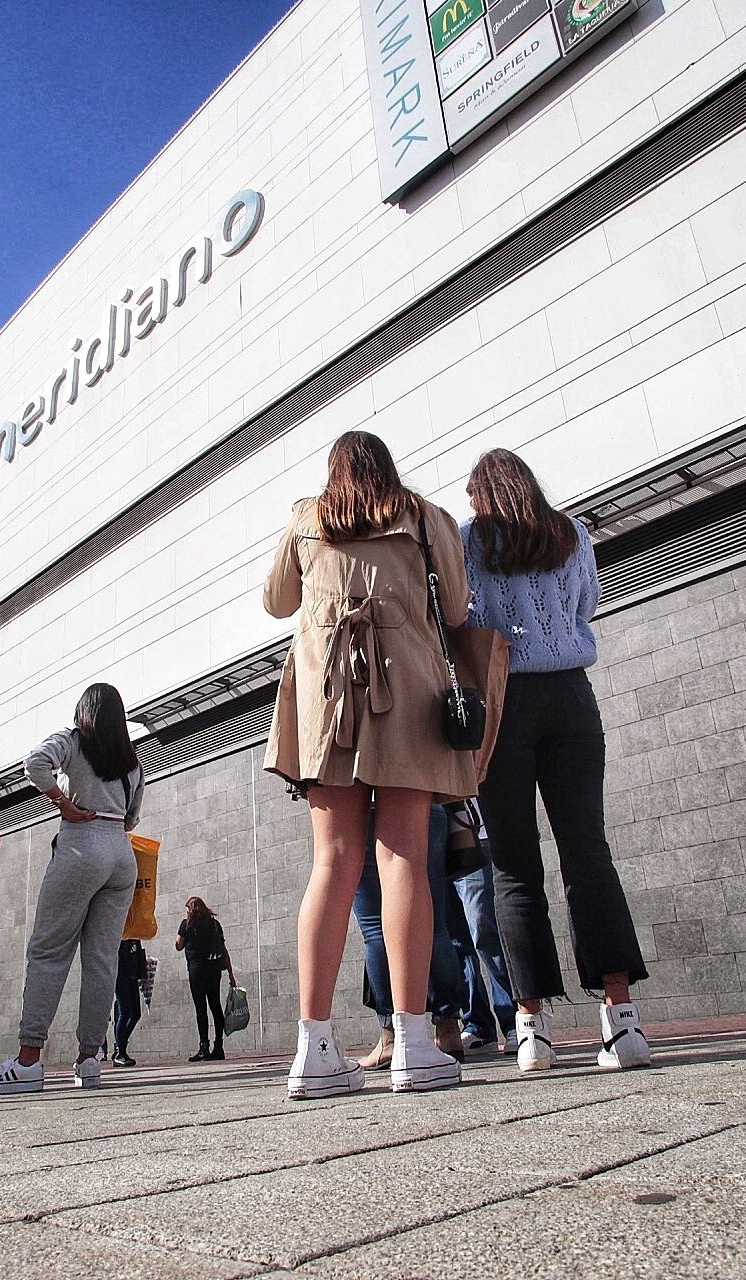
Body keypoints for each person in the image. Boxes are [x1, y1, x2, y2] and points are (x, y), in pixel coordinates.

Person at [264, 429, 477, 1098]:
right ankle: (415, 1042)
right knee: (406, 856)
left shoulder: (306, 519)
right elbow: (462, 607)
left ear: (333, 471)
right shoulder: (424, 516)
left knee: (331, 861)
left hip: (328, 701)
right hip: (407, 693)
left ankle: (315, 1049)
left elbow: (276, 602)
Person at [461, 447, 653, 1072]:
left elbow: (461, 620)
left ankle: (530, 1029)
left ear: (481, 495)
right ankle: (622, 1022)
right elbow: (584, 609)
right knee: (587, 850)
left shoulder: (470, 542)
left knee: (513, 866)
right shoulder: (570, 532)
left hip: (502, 704)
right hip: (572, 696)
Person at [0, 684, 143, 1095]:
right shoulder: (131, 760)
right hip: (121, 855)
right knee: (103, 960)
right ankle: (89, 1059)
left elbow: (35, 763)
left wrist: (62, 802)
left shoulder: (71, 740)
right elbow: (133, 817)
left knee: (49, 951)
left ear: (83, 711)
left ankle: (29, 1060)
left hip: (79, 846)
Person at [350, 804, 467, 1070]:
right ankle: (448, 1027)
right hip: (425, 800)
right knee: (435, 924)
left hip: (361, 807)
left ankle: (390, 1035)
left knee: (376, 931)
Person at [444, 800, 515, 1055]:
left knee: (484, 929)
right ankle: (477, 1025)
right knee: (455, 941)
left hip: (473, 832)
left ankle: (513, 1018)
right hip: (435, 838)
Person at [175, 898, 238, 1061]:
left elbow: (178, 945)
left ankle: (204, 1047)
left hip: (196, 970)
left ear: (190, 909)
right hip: (213, 969)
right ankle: (219, 1047)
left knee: (201, 1008)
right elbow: (223, 949)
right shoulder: (214, 924)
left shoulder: (186, 924)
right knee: (215, 1006)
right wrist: (231, 974)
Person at [111, 938, 146, 1067]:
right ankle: (120, 1052)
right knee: (124, 1013)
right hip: (121, 976)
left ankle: (120, 1045)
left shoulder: (135, 938)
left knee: (136, 1014)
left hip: (132, 976)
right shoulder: (120, 936)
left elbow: (137, 955)